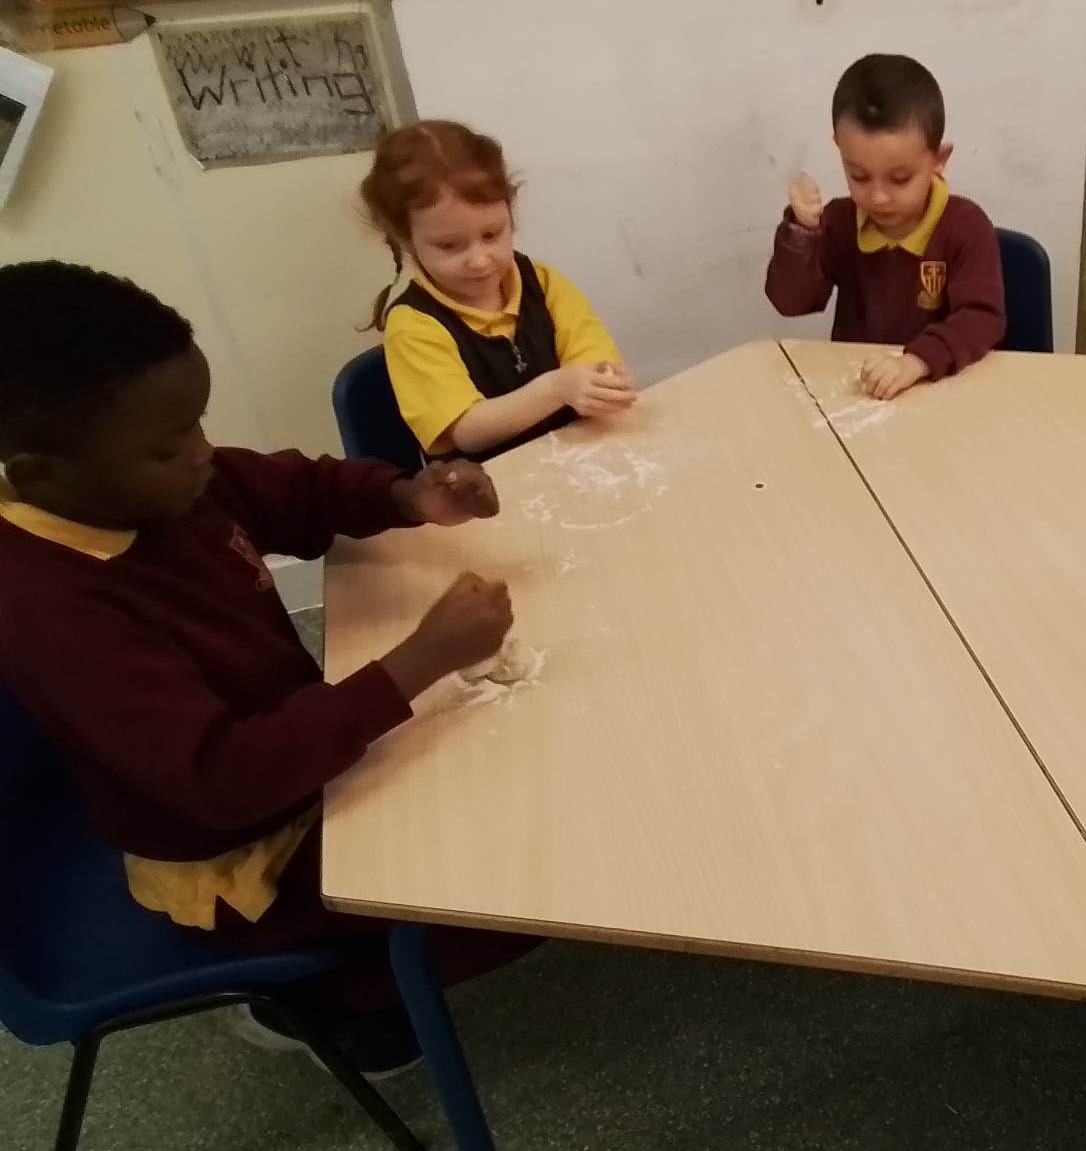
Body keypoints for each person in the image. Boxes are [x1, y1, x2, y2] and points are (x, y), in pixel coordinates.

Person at [0, 261, 527, 1073]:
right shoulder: (53, 609)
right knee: (511, 878)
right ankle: (339, 1003)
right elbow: (222, 779)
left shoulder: (160, 486)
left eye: (199, 423)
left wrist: (407, 498)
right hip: (243, 860)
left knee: (508, 773)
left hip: (295, 767)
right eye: (169, 446)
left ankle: (356, 969)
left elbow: (295, 489)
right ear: (42, 474)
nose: (202, 456)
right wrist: (417, 661)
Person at [363, 120, 637, 461]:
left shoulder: (543, 282)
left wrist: (601, 384)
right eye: (449, 246)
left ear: (511, 215)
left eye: (491, 235)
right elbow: (467, 432)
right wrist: (557, 388)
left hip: (574, 459)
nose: (479, 260)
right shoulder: (413, 325)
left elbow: (594, 359)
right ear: (406, 240)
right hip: (486, 486)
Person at [765, 54, 1006, 401]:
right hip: (862, 394)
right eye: (859, 176)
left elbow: (982, 318)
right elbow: (791, 302)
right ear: (840, 150)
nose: (878, 197)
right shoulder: (840, 222)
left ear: (939, 160)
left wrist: (916, 361)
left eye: (900, 178)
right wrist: (802, 231)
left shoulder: (965, 227)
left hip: (943, 393)